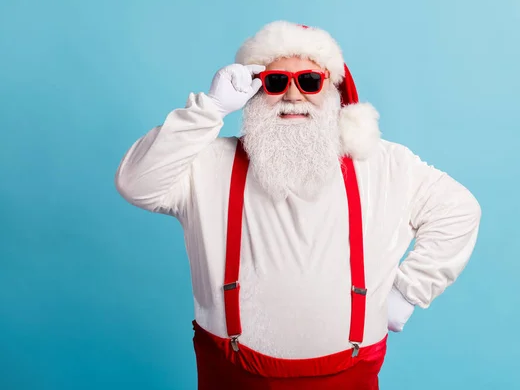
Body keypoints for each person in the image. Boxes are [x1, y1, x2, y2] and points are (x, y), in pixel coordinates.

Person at [115, 20, 481, 390]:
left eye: (309, 81)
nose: (293, 95)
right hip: (230, 375)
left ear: (334, 89)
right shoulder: (208, 163)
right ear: (255, 91)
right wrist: (209, 109)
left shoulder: (384, 164)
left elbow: (459, 210)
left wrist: (409, 289)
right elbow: (136, 183)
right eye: (275, 82)